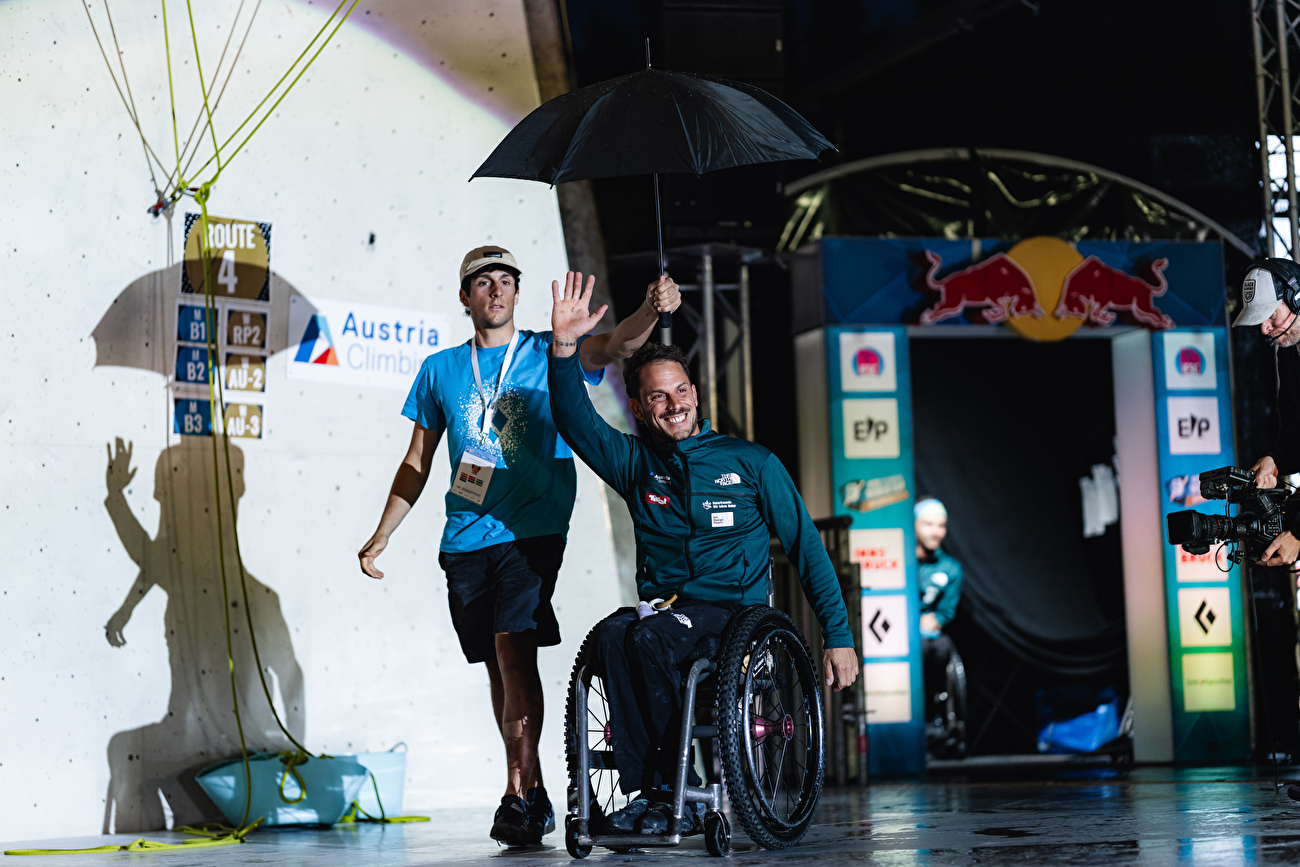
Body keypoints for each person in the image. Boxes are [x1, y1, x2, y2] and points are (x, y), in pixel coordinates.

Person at [358, 246, 679, 847]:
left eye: (506, 280)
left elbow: (618, 347)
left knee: (513, 653)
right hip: (465, 538)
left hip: (532, 534)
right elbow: (417, 462)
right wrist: (383, 534)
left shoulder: (546, 349)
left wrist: (649, 311)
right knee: (494, 664)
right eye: (484, 283)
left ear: (516, 292)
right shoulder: (440, 369)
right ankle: (532, 791)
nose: (496, 291)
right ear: (465, 297)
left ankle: (514, 790)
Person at [546, 272, 858, 836]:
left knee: (648, 636)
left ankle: (671, 794)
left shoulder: (750, 462)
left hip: (734, 617)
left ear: (695, 392)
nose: (674, 404)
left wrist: (837, 635)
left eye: (681, 390)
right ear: (639, 410)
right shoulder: (635, 463)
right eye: (658, 397)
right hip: (664, 610)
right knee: (616, 634)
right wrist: (564, 347)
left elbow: (805, 547)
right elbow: (574, 420)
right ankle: (652, 792)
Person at [1232, 257, 1300, 568]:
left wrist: (1298, 532)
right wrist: (1273, 459)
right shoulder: (1290, 353)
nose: (1264, 328)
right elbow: (1294, 432)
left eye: (1271, 315)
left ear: (1296, 298)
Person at [914, 497, 964, 754]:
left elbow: (945, 613)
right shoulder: (901, 561)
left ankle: (932, 715)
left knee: (939, 646)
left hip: (928, 637)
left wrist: (934, 620)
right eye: (928, 524)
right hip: (898, 633)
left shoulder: (950, 568)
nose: (936, 531)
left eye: (941, 525)